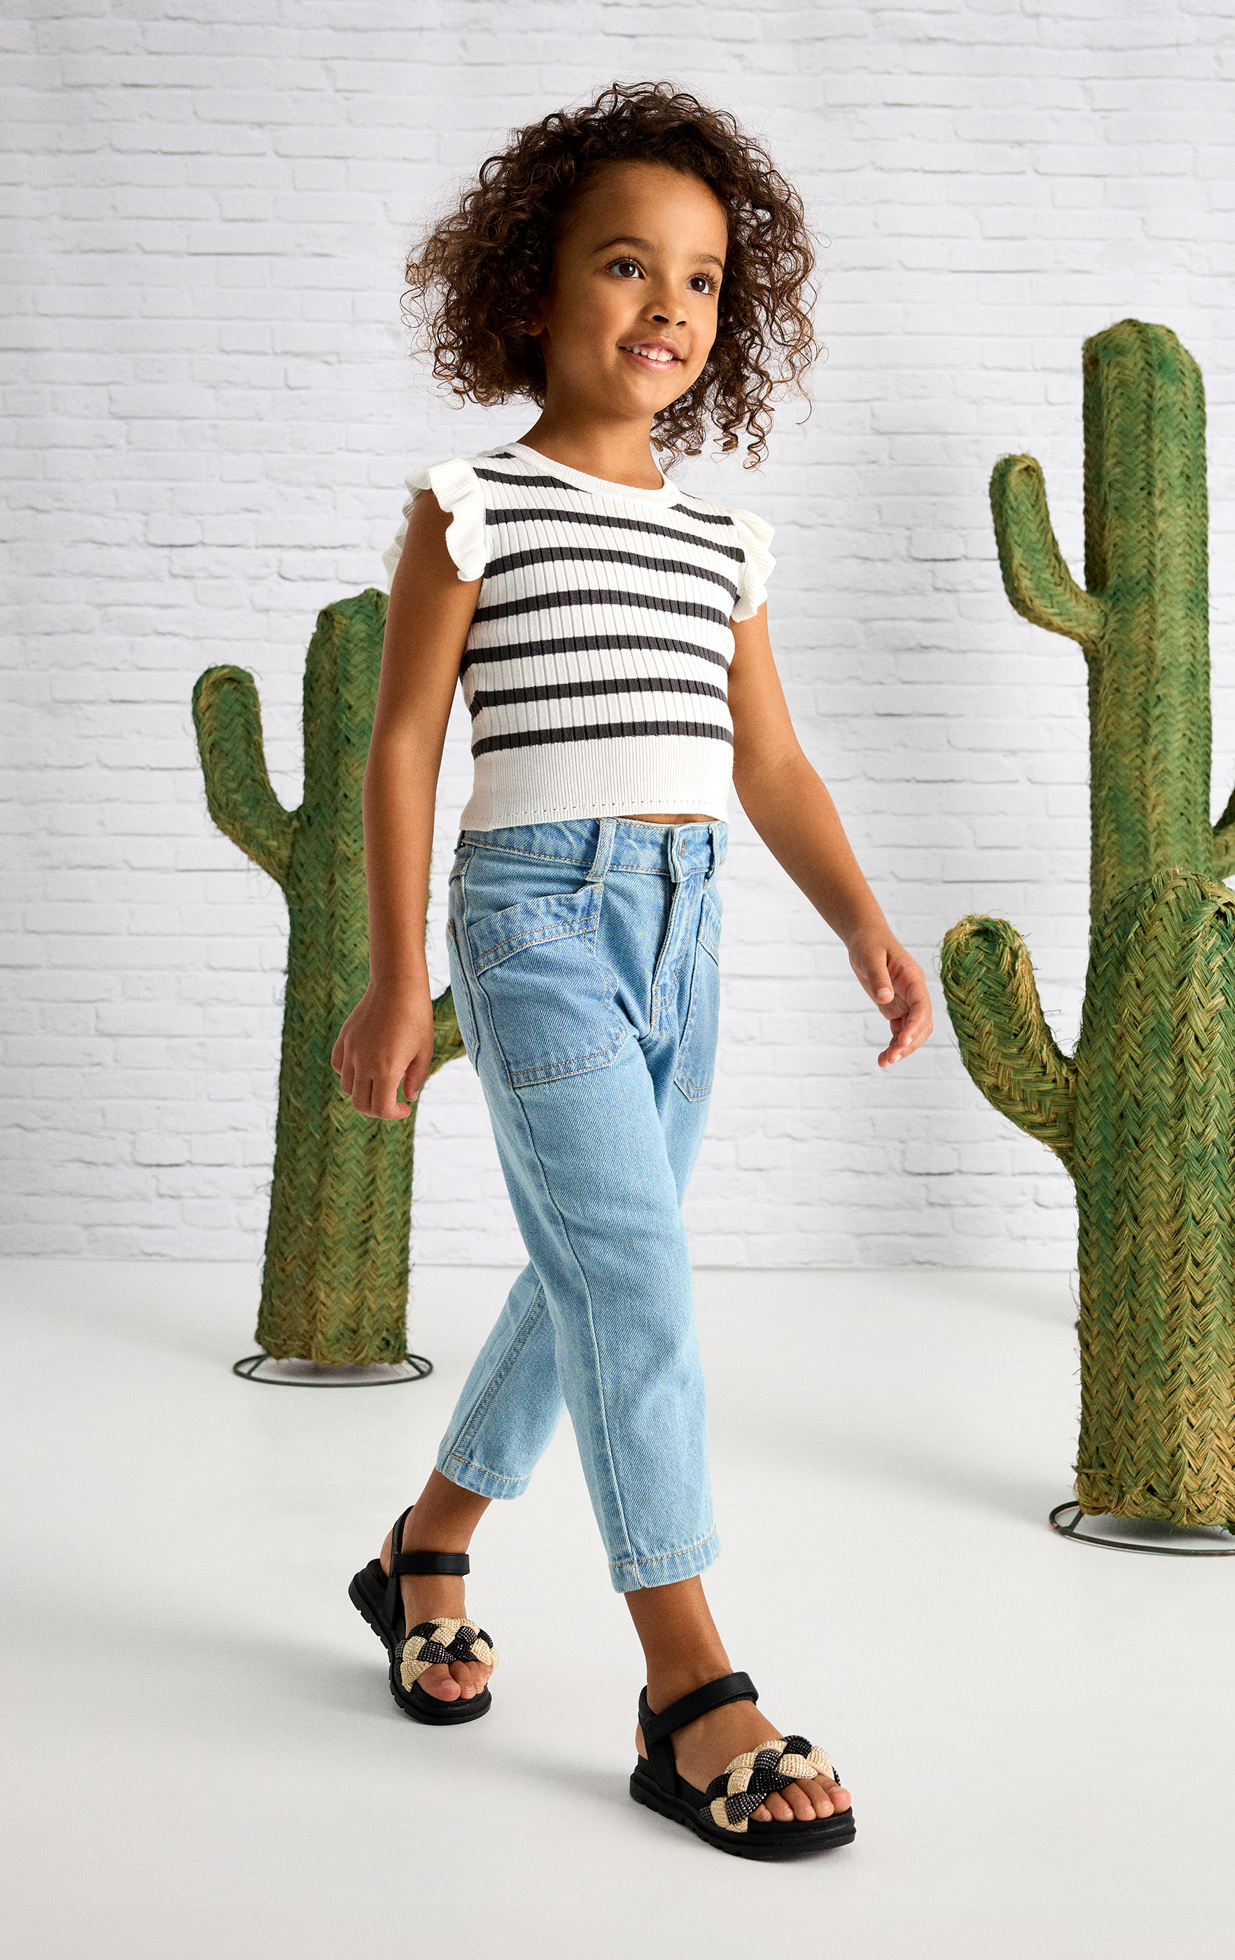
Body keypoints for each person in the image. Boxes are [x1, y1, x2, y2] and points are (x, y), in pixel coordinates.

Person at [334, 82, 932, 1860]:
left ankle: (426, 1549)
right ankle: (689, 1687)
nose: (668, 305)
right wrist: (392, 979)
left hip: (689, 927)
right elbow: (403, 744)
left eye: (702, 279)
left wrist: (862, 919)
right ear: (532, 289)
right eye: (623, 265)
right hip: (531, 919)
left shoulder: (722, 541)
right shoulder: (475, 505)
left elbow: (773, 763)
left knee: (595, 1267)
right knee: (641, 1286)